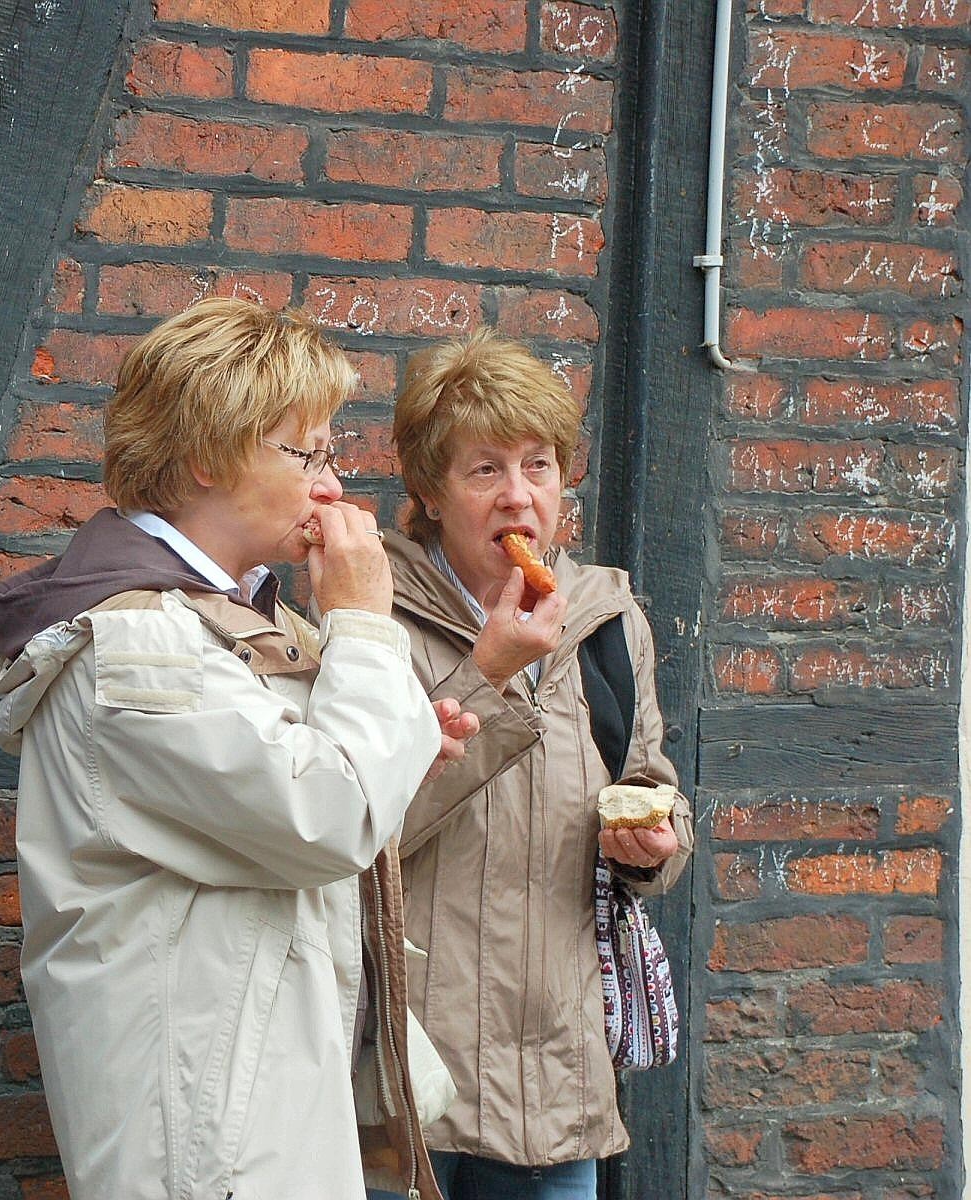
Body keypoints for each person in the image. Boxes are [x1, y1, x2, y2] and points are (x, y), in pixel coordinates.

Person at [0, 297, 475, 1199]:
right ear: (206, 454)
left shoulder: (241, 619)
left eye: (330, 450)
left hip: (263, 1096)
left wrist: (395, 747)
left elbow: (326, 818)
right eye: (305, 450)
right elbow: (325, 818)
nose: (330, 484)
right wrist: (364, 624)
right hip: (207, 1129)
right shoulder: (141, 645)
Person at [370, 329, 694, 1200]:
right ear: (429, 493)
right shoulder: (367, 621)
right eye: (484, 470)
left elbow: (647, 781)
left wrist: (656, 844)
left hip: (557, 1078)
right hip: (403, 1079)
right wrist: (488, 672)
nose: (517, 496)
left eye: (538, 465)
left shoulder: (605, 619)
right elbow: (355, 829)